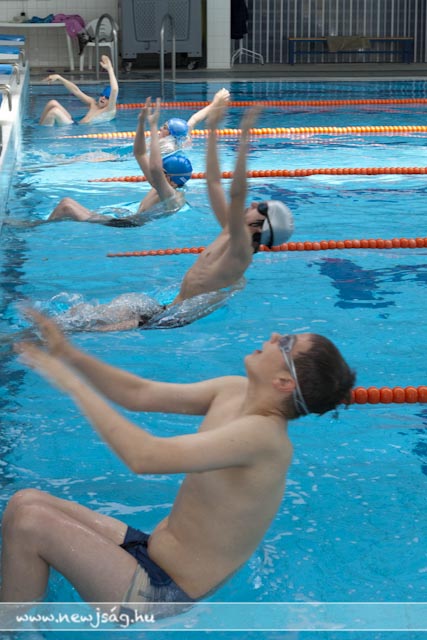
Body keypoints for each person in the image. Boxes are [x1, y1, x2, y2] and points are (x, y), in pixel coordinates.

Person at [1, 308, 355, 616]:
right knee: (25, 502)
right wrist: (69, 354)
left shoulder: (263, 438)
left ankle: (13, 630)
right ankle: (23, 611)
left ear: (283, 382)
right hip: (147, 551)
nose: (276, 335)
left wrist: (73, 386)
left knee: (32, 523)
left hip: (161, 595)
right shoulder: (233, 390)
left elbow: (144, 456)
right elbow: (139, 394)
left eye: (287, 343)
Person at [57, 97, 294, 331]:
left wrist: (243, 140)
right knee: (81, 314)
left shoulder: (241, 251)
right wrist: (213, 130)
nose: (254, 203)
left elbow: (237, 192)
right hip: (167, 308)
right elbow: (213, 182)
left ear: (260, 226)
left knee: (77, 328)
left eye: (261, 208)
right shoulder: (230, 233)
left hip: (172, 317)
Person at [46, 98, 193, 227]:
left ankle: (37, 228)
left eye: (162, 172)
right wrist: (141, 123)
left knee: (66, 205)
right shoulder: (165, 186)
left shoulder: (171, 196)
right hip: (128, 217)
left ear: (170, 179)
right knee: (67, 204)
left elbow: (154, 167)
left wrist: (154, 126)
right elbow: (140, 153)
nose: (158, 173)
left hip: (128, 224)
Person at [39, 55, 119, 126]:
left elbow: (114, 90)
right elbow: (76, 91)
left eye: (107, 97)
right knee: (52, 102)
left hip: (73, 128)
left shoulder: (109, 110)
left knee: (54, 112)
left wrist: (110, 69)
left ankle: (42, 132)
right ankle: (39, 125)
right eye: (102, 95)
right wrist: (60, 78)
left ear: (111, 100)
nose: (103, 98)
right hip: (74, 124)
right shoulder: (93, 103)